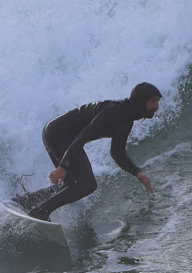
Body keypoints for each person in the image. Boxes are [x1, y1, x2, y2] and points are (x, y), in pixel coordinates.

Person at [13, 82, 163, 221]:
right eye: (153, 101)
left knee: (72, 185)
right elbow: (83, 136)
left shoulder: (126, 122)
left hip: (57, 133)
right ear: (141, 100)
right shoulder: (114, 110)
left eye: (157, 101)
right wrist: (63, 166)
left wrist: (137, 172)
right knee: (88, 184)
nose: (156, 106)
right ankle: (40, 212)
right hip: (58, 133)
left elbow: (117, 153)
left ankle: (25, 201)